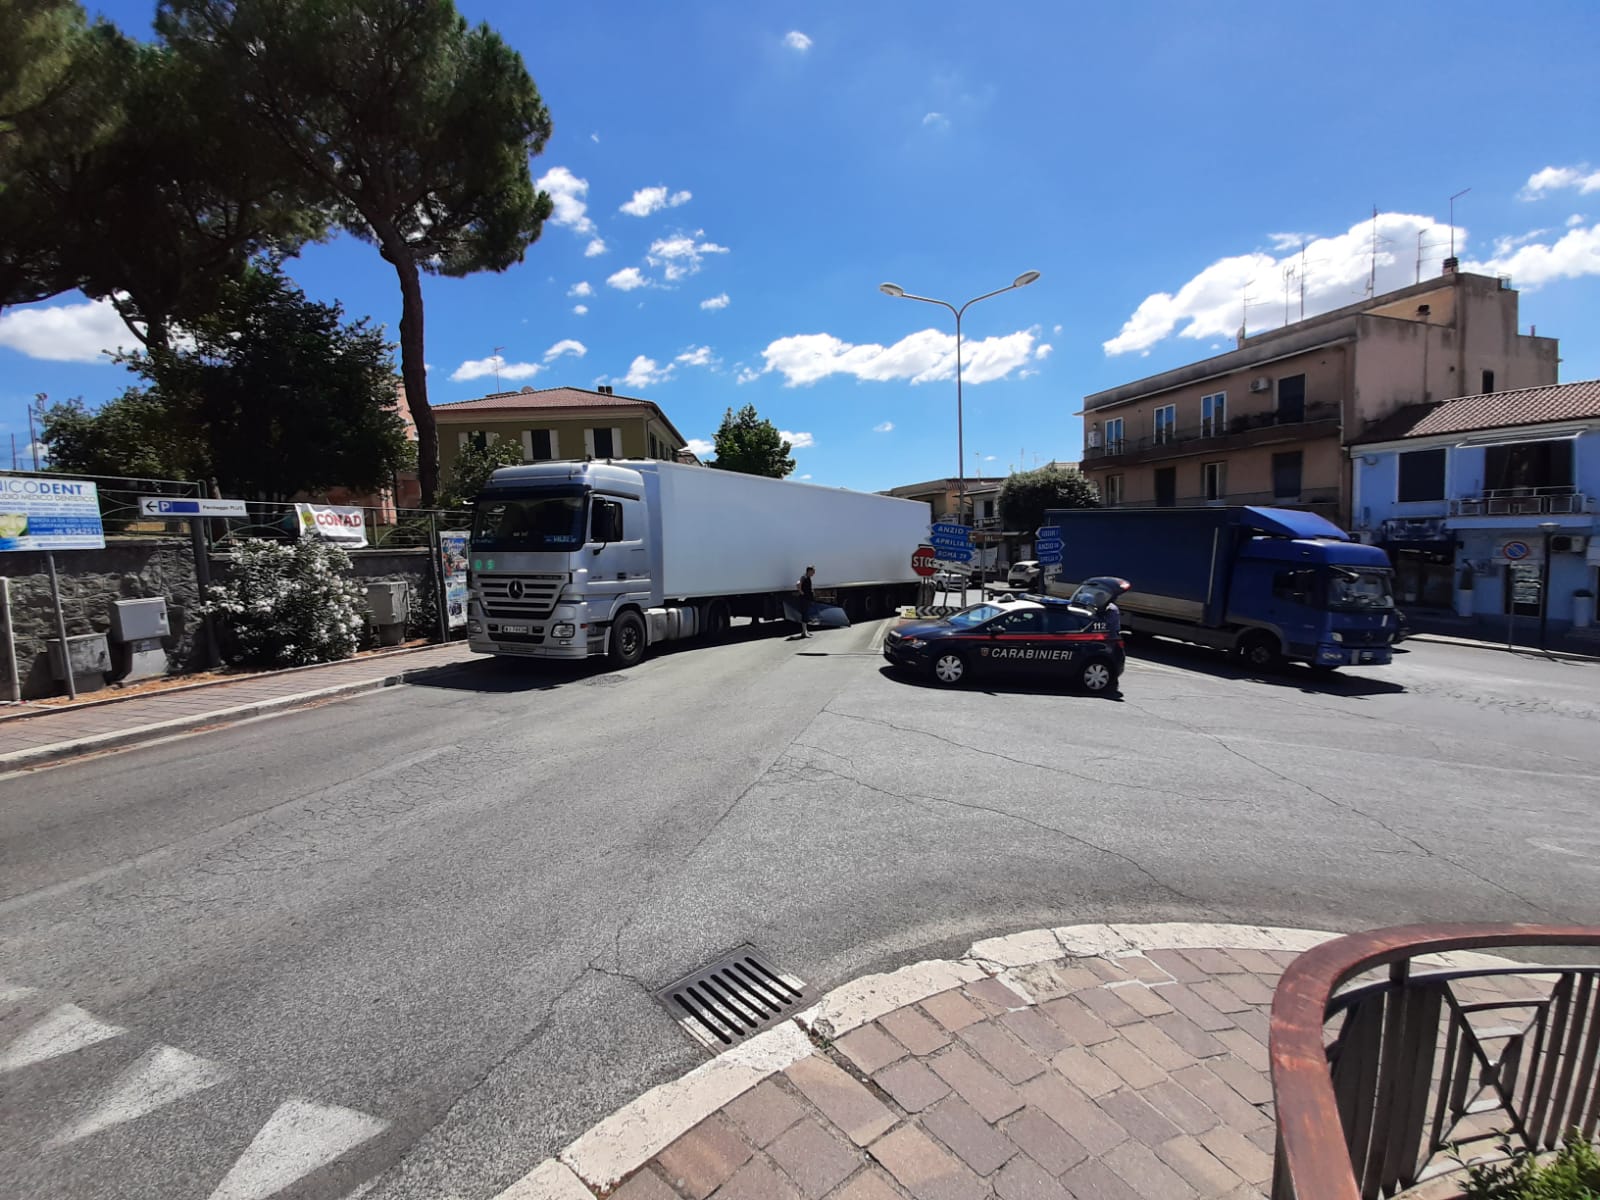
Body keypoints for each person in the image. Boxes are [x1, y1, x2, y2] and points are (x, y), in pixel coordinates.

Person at [795, 565, 816, 638]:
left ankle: (806, 631)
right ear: (809, 571)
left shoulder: (807, 577)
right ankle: (804, 632)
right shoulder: (804, 577)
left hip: (806, 599)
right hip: (804, 599)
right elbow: (798, 583)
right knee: (804, 615)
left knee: (806, 615)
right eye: (813, 571)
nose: (814, 573)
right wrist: (801, 592)